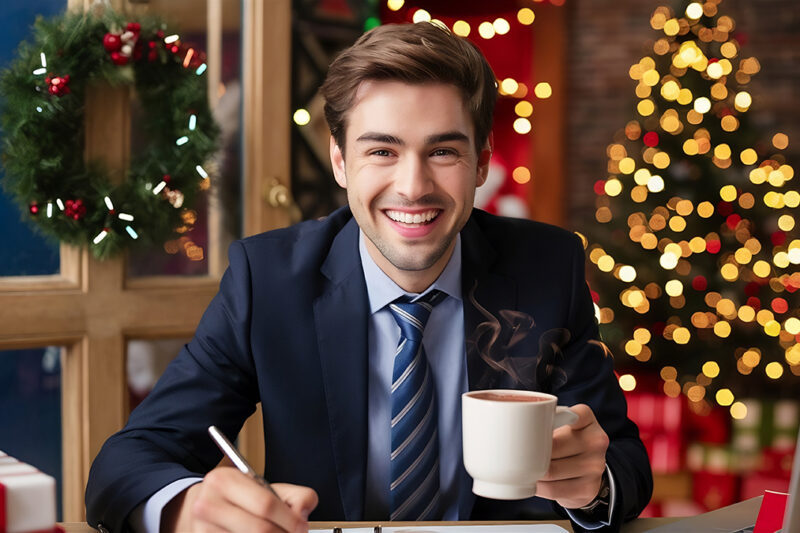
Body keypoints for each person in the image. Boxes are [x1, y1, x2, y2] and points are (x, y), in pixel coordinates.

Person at [85, 22, 652, 533]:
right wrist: (185, 507)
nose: (412, 186)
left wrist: (594, 485)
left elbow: (622, 460)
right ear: (339, 160)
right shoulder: (269, 280)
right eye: (382, 150)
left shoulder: (548, 266)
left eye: (444, 152)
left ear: (482, 161)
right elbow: (128, 461)